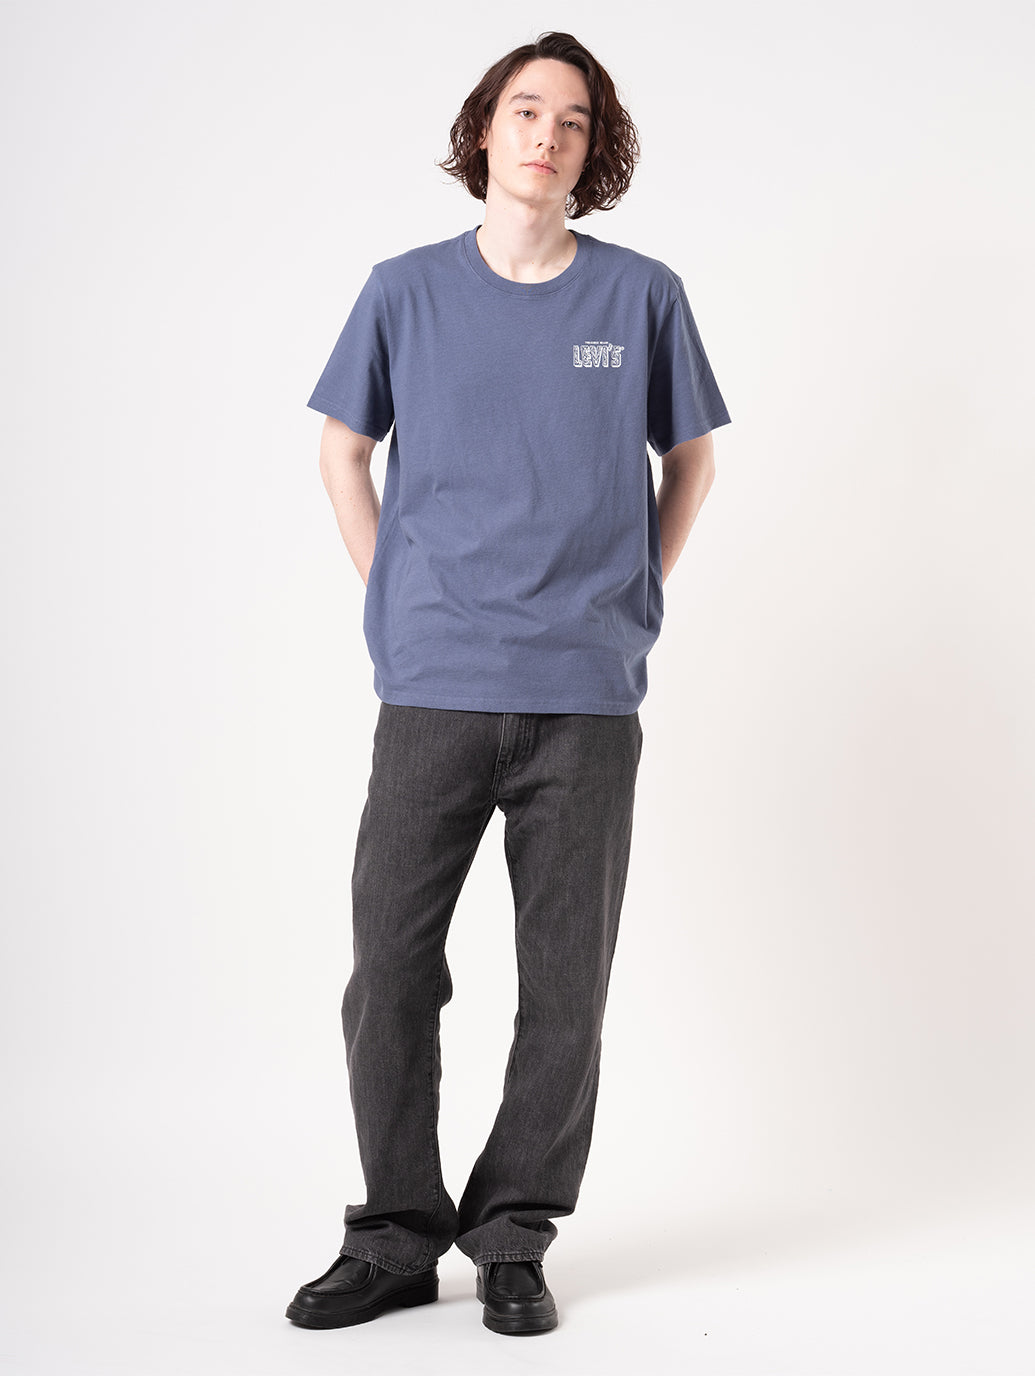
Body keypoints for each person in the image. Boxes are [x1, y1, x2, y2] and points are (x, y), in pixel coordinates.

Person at [285, 30, 731, 1337]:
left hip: (586, 701)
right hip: (432, 688)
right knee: (390, 972)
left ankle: (514, 1234)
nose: (547, 135)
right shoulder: (403, 292)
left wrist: (634, 594)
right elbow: (341, 450)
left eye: (574, 121)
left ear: (595, 153)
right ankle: (394, 1237)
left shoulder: (641, 298)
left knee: (564, 988)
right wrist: (395, 595)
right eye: (527, 111)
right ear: (485, 130)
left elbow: (694, 461)